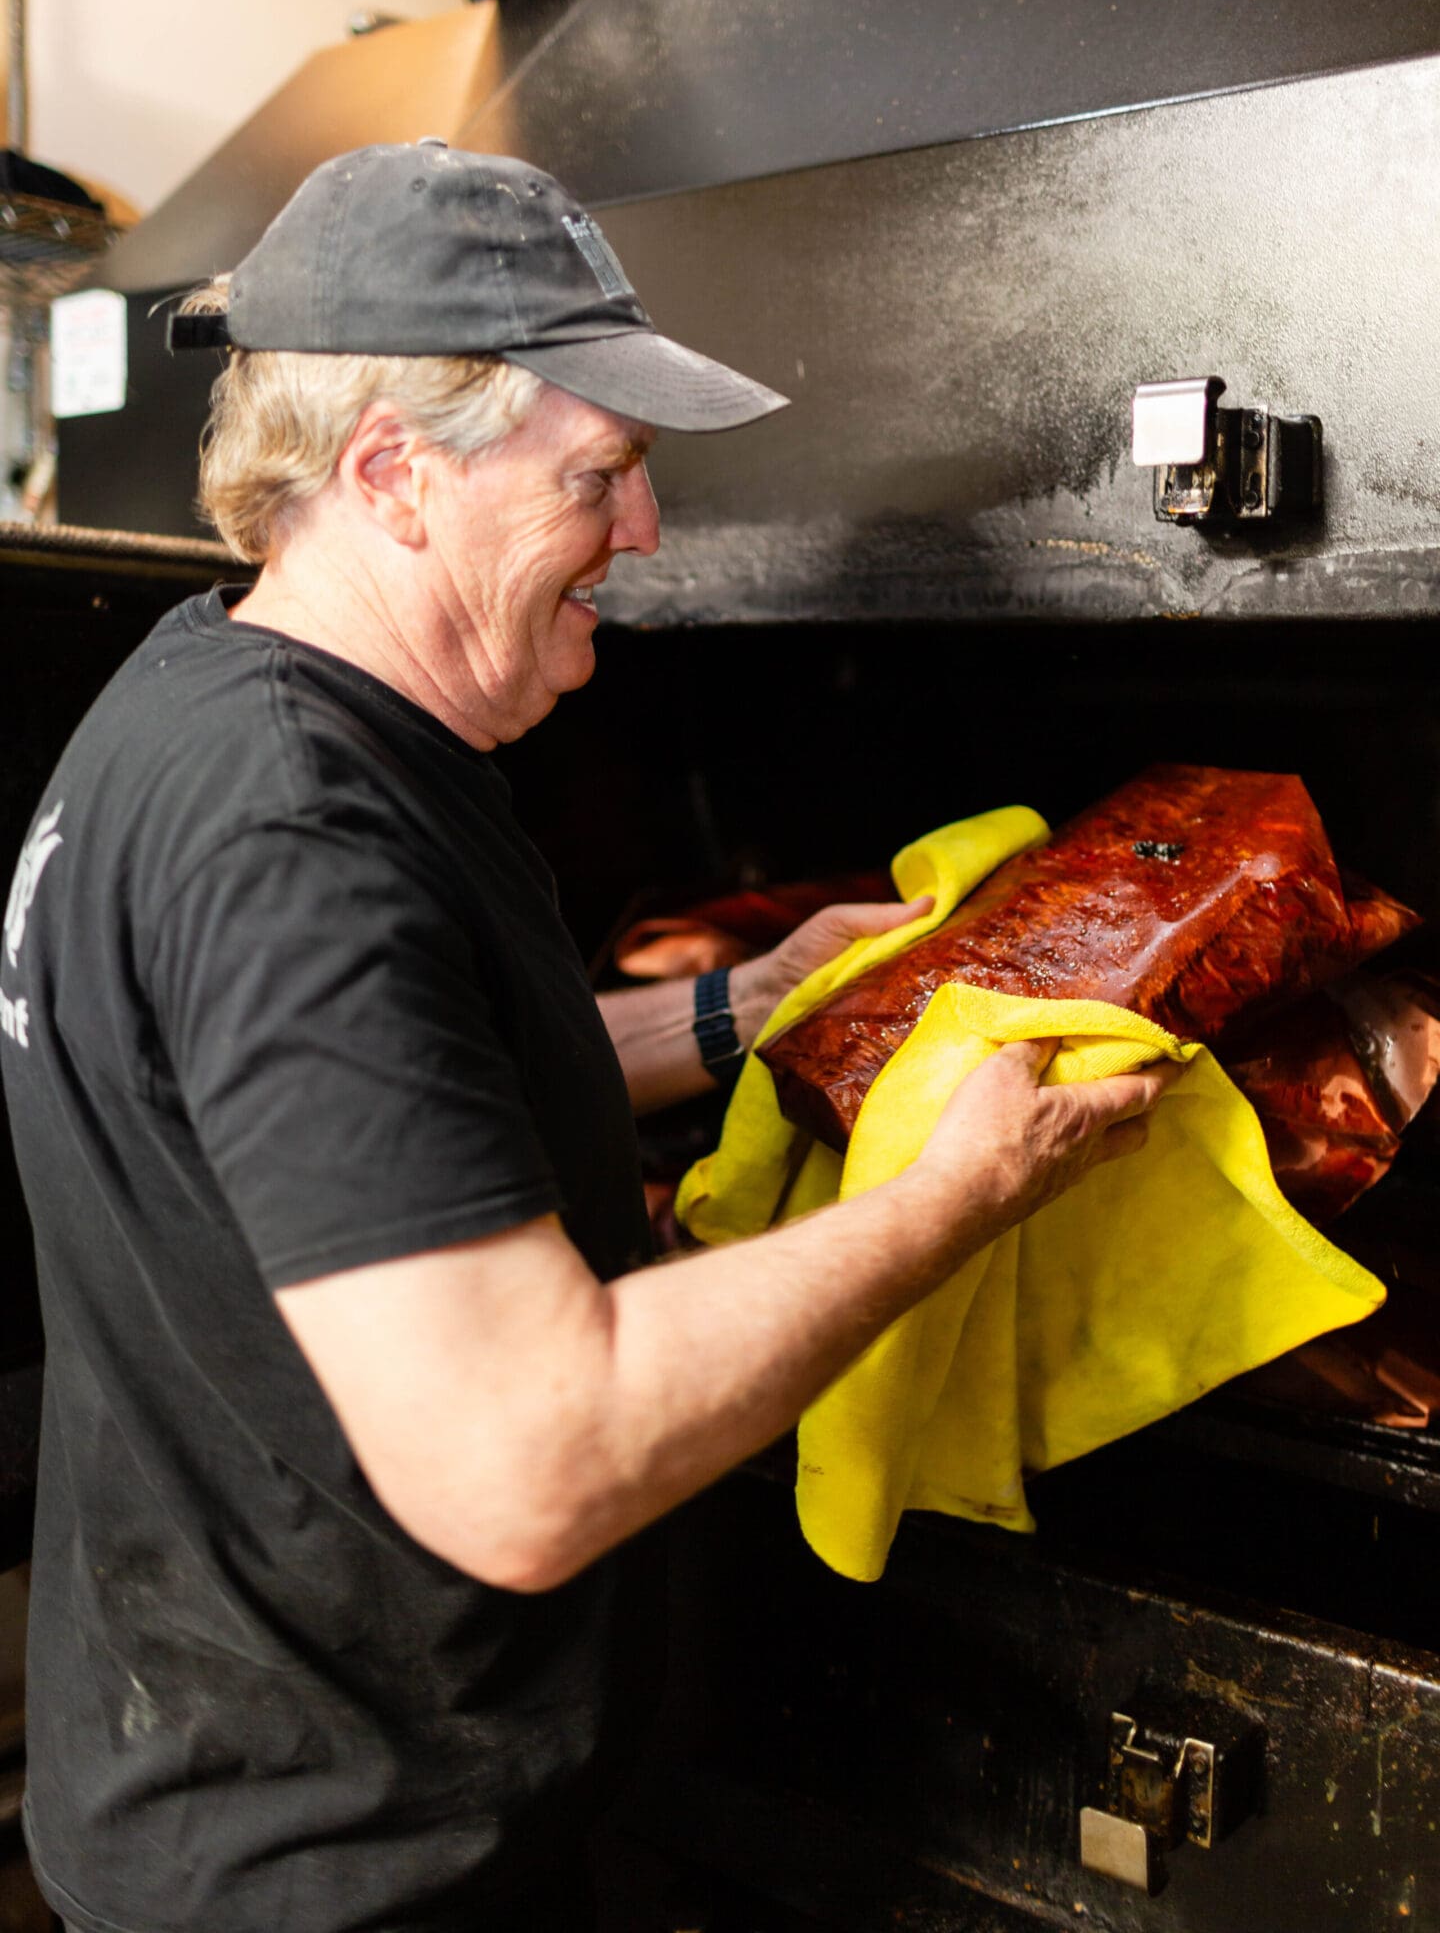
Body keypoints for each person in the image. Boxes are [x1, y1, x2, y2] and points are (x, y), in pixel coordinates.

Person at [0, 143, 1174, 1933]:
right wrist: (959, 1191)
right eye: (602, 476)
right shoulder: (295, 836)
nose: (645, 536)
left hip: (238, 1766)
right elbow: (529, 1462)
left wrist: (743, 1008)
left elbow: (366, 1110)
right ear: (394, 474)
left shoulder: (210, 695)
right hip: (329, 1868)